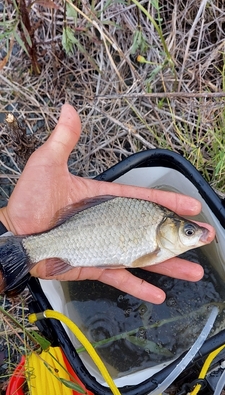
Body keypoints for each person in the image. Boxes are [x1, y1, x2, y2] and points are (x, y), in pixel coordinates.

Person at [0, 104, 215, 304]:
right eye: (188, 232)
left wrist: (8, 227)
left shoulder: (157, 228)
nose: (195, 236)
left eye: (189, 232)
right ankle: (24, 248)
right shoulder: (155, 242)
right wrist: (9, 227)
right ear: (165, 229)